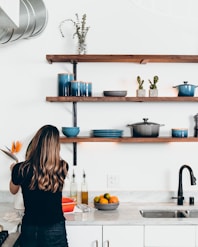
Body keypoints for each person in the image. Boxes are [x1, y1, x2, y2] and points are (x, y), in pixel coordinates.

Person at [10, 125, 69, 247]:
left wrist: (13, 171)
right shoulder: (62, 167)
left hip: (31, 228)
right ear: (56, 146)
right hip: (55, 227)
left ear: (36, 143)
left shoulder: (20, 168)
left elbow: (13, 190)